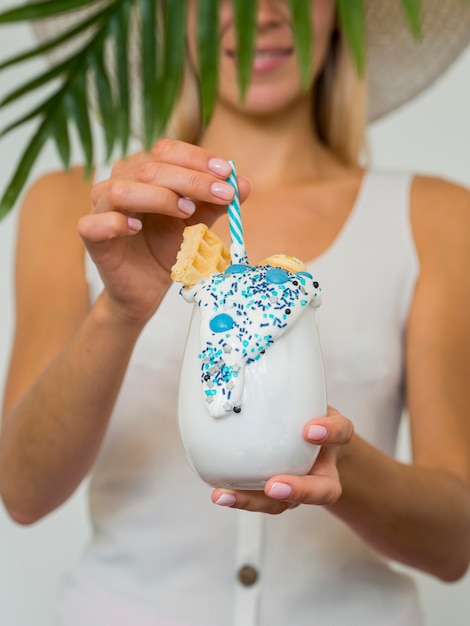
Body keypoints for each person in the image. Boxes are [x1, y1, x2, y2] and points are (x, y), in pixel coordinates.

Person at [1, 1, 470, 625]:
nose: (263, 14)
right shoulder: (85, 209)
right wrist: (120, 310)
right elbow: (23, 490)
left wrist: (337, 458)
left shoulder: (435, 218)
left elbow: (454, 543)